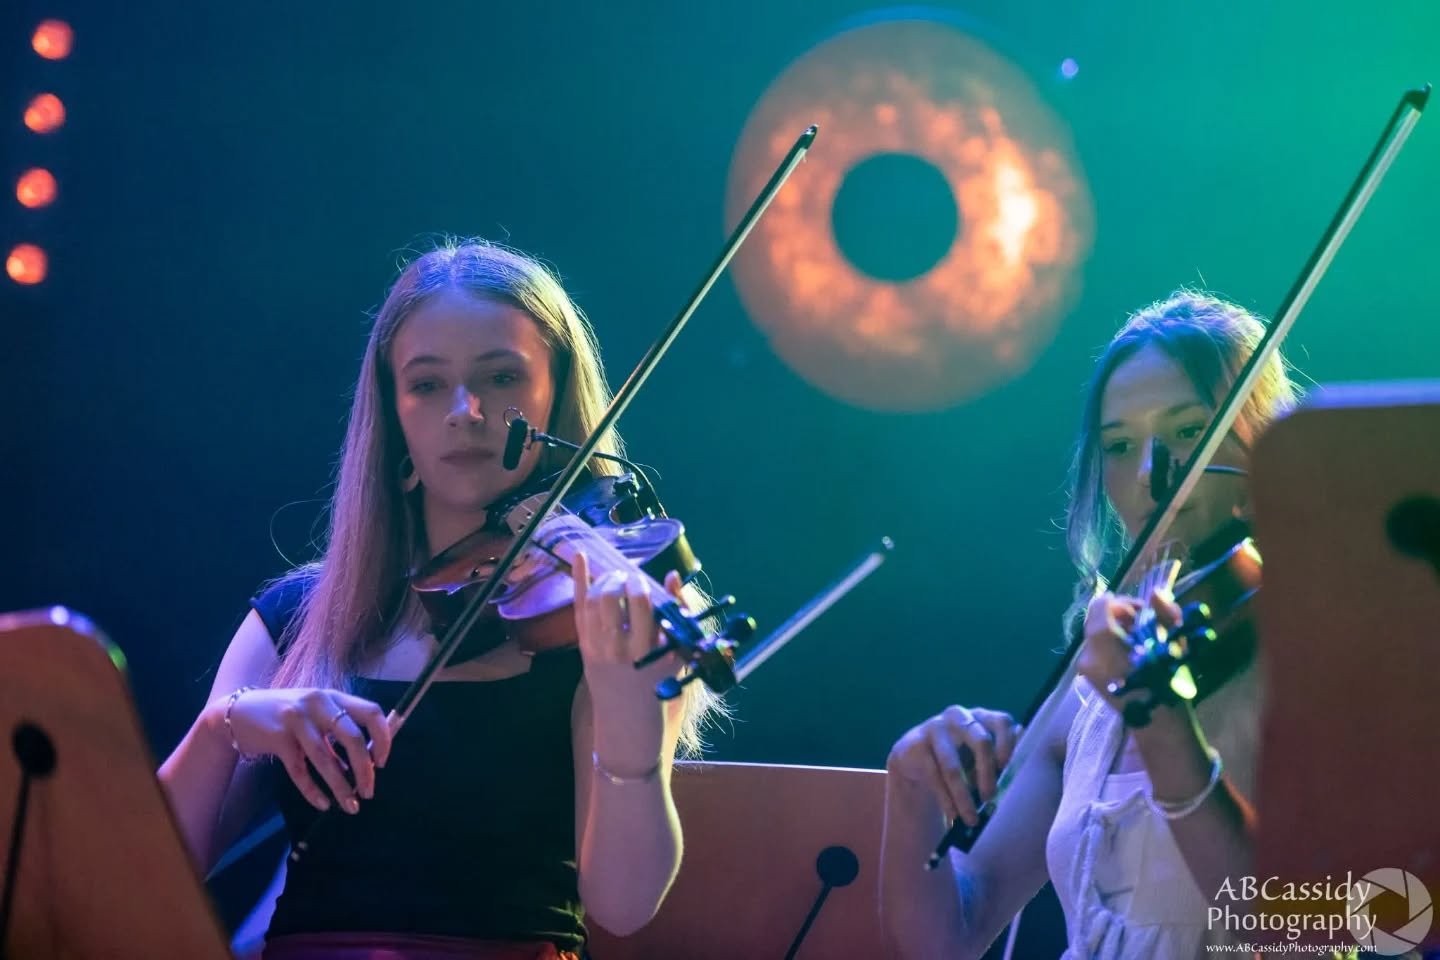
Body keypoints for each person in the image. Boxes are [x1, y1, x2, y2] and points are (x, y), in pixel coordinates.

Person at [157, 239, 724, 960]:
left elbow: (623, 905)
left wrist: (629, 717)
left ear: (556, 393)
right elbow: (139, 880)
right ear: (393, 416)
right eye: (427, 384)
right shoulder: (297, 616)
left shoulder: (602, 619)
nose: (467, 410)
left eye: (503, 376)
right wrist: (225, 728)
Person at [879, 291, 1304, 959]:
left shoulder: (1316, 647)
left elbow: (1383, 916)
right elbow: (953, 932)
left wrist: (1166, 731)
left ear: (1264, 450)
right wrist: (909, 791)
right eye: (1120, 445)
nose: (1150, 474)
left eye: (1190, 432)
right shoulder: (1094, 677)